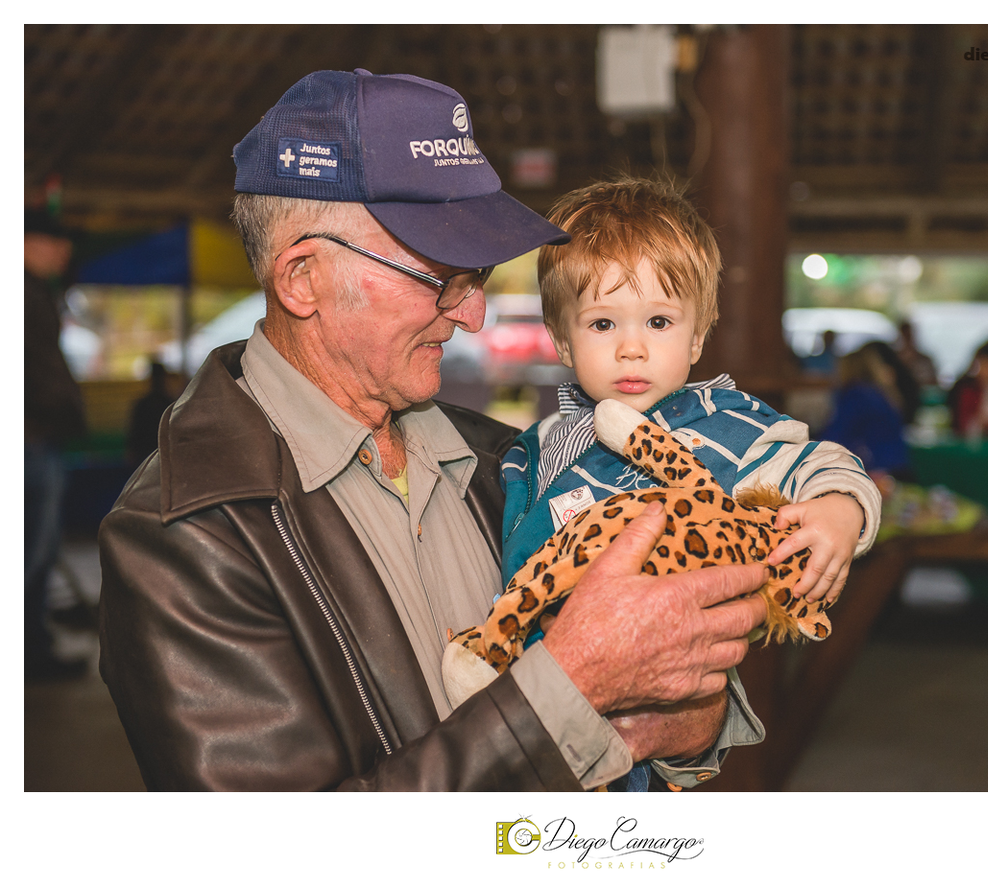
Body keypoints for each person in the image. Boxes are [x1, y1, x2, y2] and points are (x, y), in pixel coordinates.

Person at [96, 70, 768, 791]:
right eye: (439, 277)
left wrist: (695, 716)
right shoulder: (183, 534)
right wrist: (570, 687)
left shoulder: (505, 459)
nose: (472, 315)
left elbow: (659, 696)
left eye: (475, 275)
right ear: (302, 280)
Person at [499, 176, 882, 789]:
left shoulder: (723, 425)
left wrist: (840, 510)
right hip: (527, 707)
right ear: (562, 339)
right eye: (602, 325)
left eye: (658, 321)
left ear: (698, 335)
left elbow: (820, 460)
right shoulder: (532, 451)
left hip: (648, 712)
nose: (631, 349)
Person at [25, 208, 89, 681]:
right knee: (32, 553)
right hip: (30, 439)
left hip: (39, 437)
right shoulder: (23, 293)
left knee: (37, 551)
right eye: (55, 242)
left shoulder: (38, 294)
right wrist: (65, 410)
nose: (63, 253)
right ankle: (30, 652)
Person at [820, 345, 911, 478]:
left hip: (877, 469)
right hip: (898, 463)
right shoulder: (883, 393)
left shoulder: (856, 394)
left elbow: (837, 433)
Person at [124, 361, 176, 468]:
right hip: (161, 456)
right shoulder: (169, 404)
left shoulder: (144, 404)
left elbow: (134, 432)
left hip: (147, 457)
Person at [894, 319, 938, 389]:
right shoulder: (893, 360)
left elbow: (934, 383)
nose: (908, 338)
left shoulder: (925, 360)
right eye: (905, 335)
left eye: (909, 335)